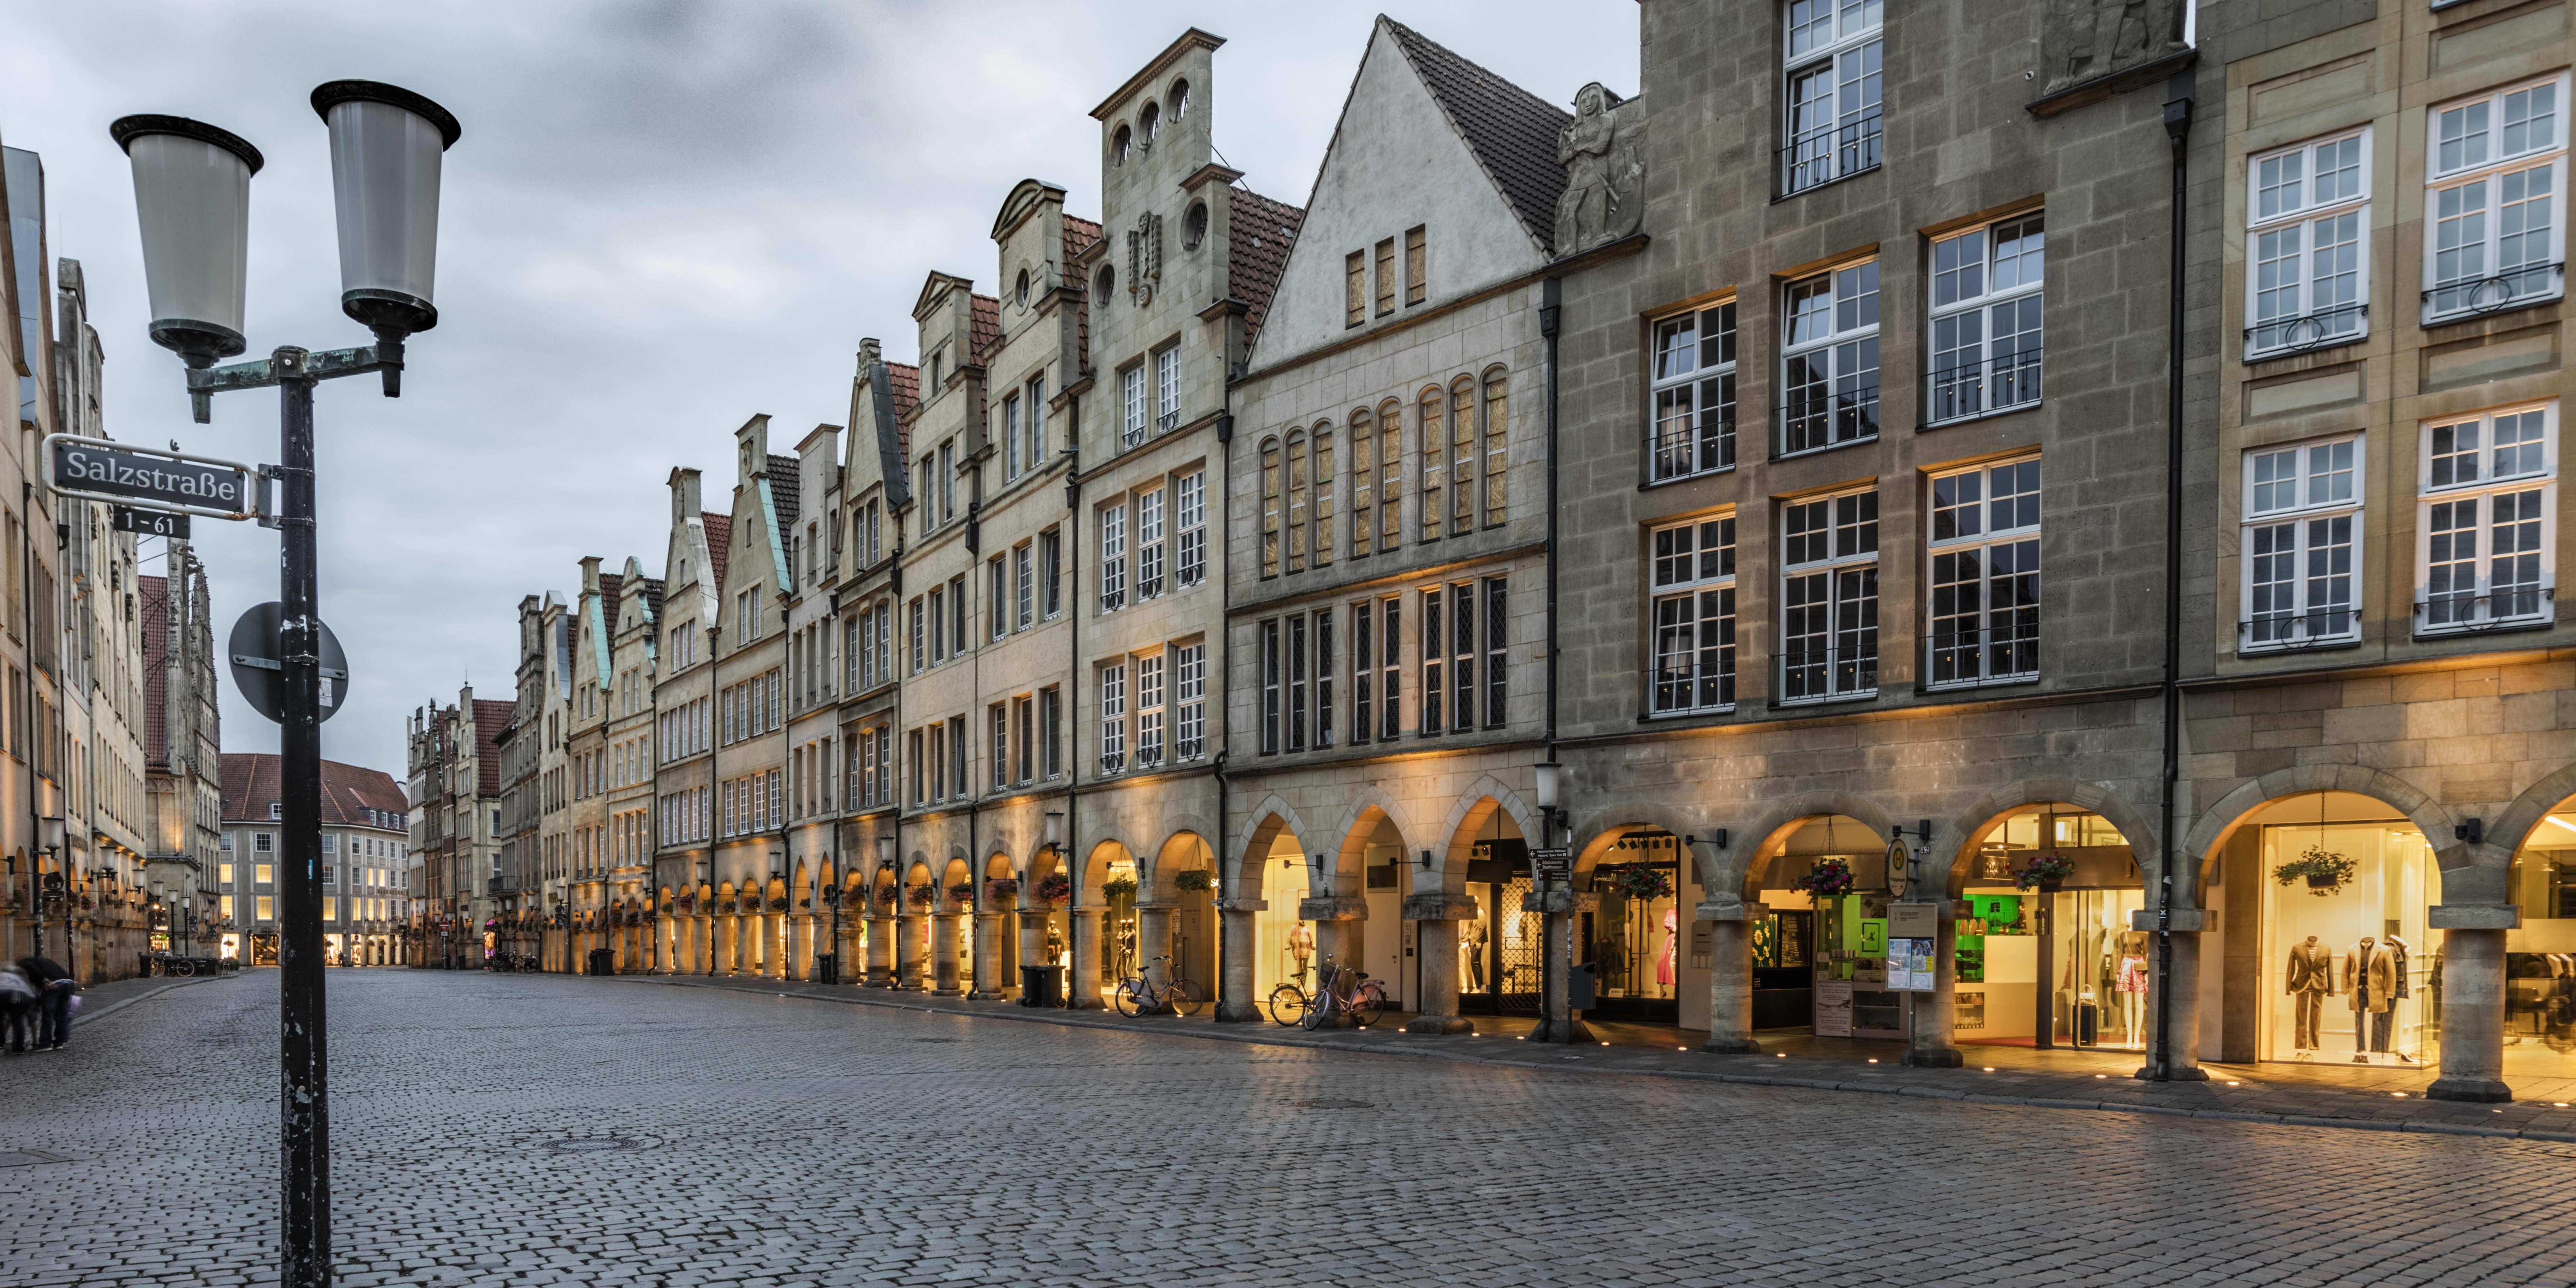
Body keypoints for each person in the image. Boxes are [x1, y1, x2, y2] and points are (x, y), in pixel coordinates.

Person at [18, 955, 72, 1051]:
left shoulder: (25, 963)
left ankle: (45, 1043)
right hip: (68, 984)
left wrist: (45, 981)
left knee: (48, 1015)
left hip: (52, 985)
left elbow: (31, 968)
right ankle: (59, 1043)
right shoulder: (46, 962)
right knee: (62, 1016)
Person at [0, 963, 34, 1053]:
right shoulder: (18, 978)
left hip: (5, 994)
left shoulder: (2, 975)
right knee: (18, 1022)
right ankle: (19, 1048)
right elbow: (30, 993)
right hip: (23, 997)